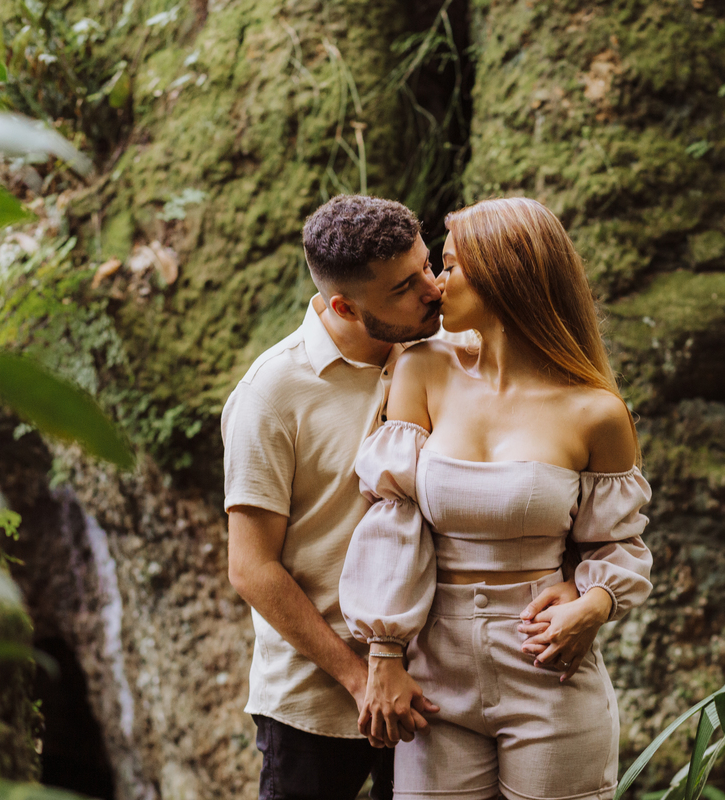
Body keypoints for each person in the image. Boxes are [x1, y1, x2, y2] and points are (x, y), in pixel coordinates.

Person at [222, 195, 581, 800]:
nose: (433, 289)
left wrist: (572, 578)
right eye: (403, 288)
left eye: (427, 266)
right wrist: (359, 679)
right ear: (344, 306)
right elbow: (251, 567)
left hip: (444, 687)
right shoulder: (271, 394)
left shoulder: (454, 356)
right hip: (316, 703)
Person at [339, 196, 654, 800]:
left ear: (505, 276)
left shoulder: (596, 411)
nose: (434, 285)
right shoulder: (422, 370)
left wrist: (594, 602)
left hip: (547, 668)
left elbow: (618, 543)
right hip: (434, 677)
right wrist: (385, 651)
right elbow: (393, 519)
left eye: (449, 266)